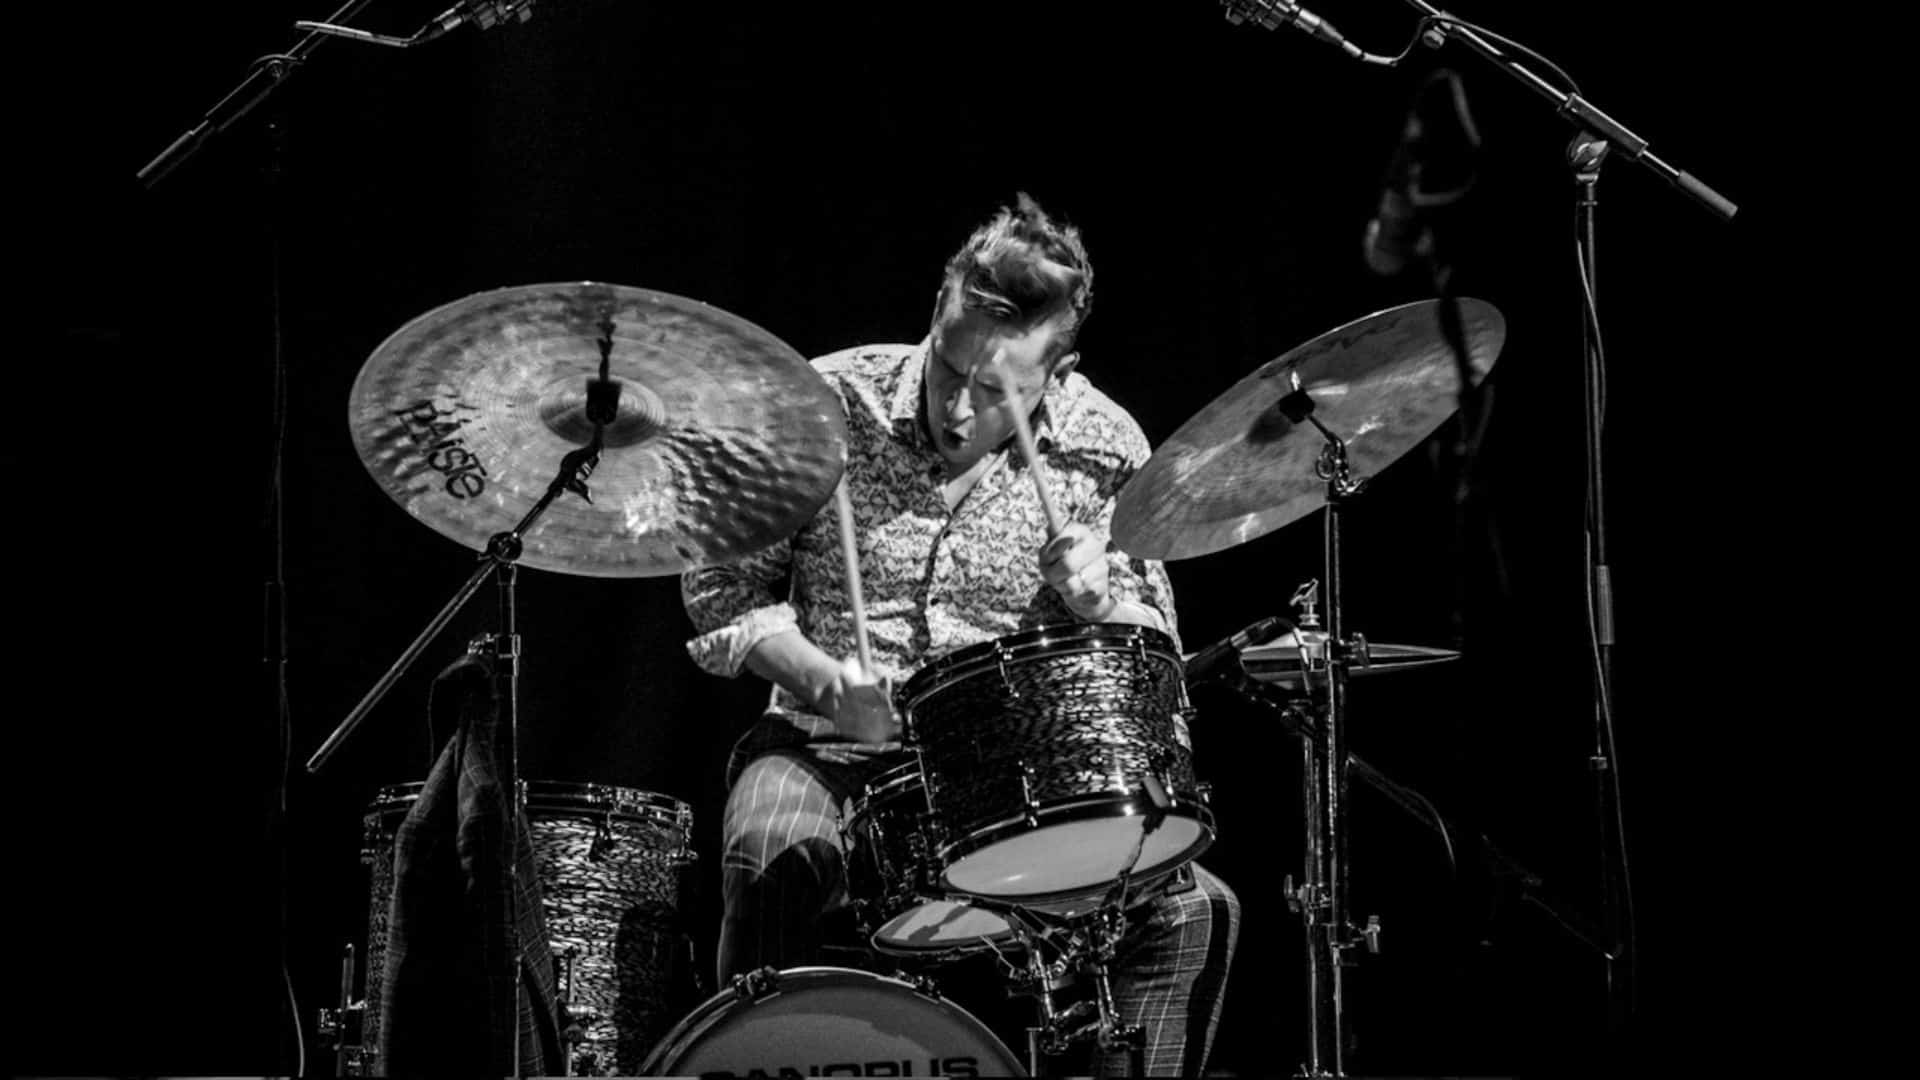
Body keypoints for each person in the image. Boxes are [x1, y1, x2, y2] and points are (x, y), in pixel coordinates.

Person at [681, 193, 1239, 1075]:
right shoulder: (829, 405)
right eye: (950, 368)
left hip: (1008, 772)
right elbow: (720, 592)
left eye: (995, 391)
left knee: (1189, 910)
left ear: (1059, 372)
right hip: (827, 750)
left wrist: (1101, 605)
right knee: (771, 853)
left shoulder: (1101, 444)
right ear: (936, 320)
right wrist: (827, 682)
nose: (957, 409)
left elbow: (1152, 646)